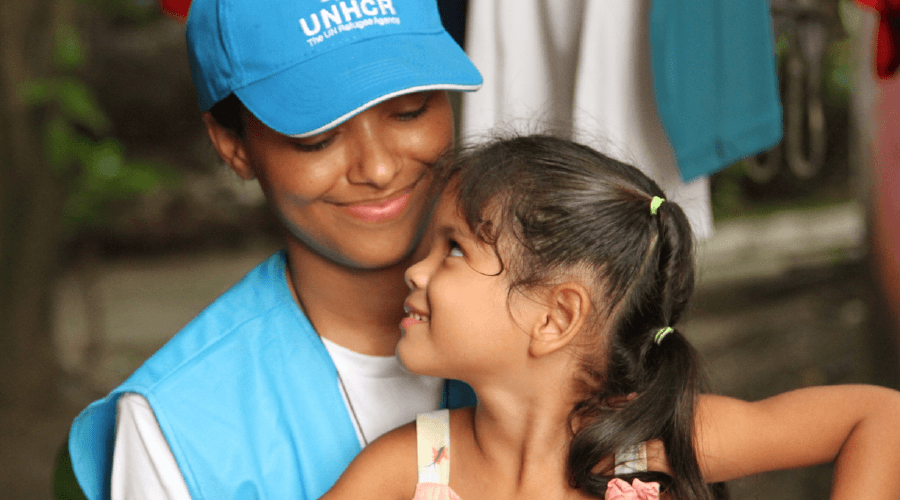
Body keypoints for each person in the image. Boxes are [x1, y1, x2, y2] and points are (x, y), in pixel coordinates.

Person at [321, 135, 900, 500]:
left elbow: (878, 416)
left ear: (555, 316)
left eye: (452, 249)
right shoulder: (411, 468)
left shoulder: (655, 443)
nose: (413, 273)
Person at [66, 0, 482, 498]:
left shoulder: (563, 323)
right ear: (231, 144)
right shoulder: (179, 426)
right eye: (319, 138)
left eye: (409, 110)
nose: (378, 169)